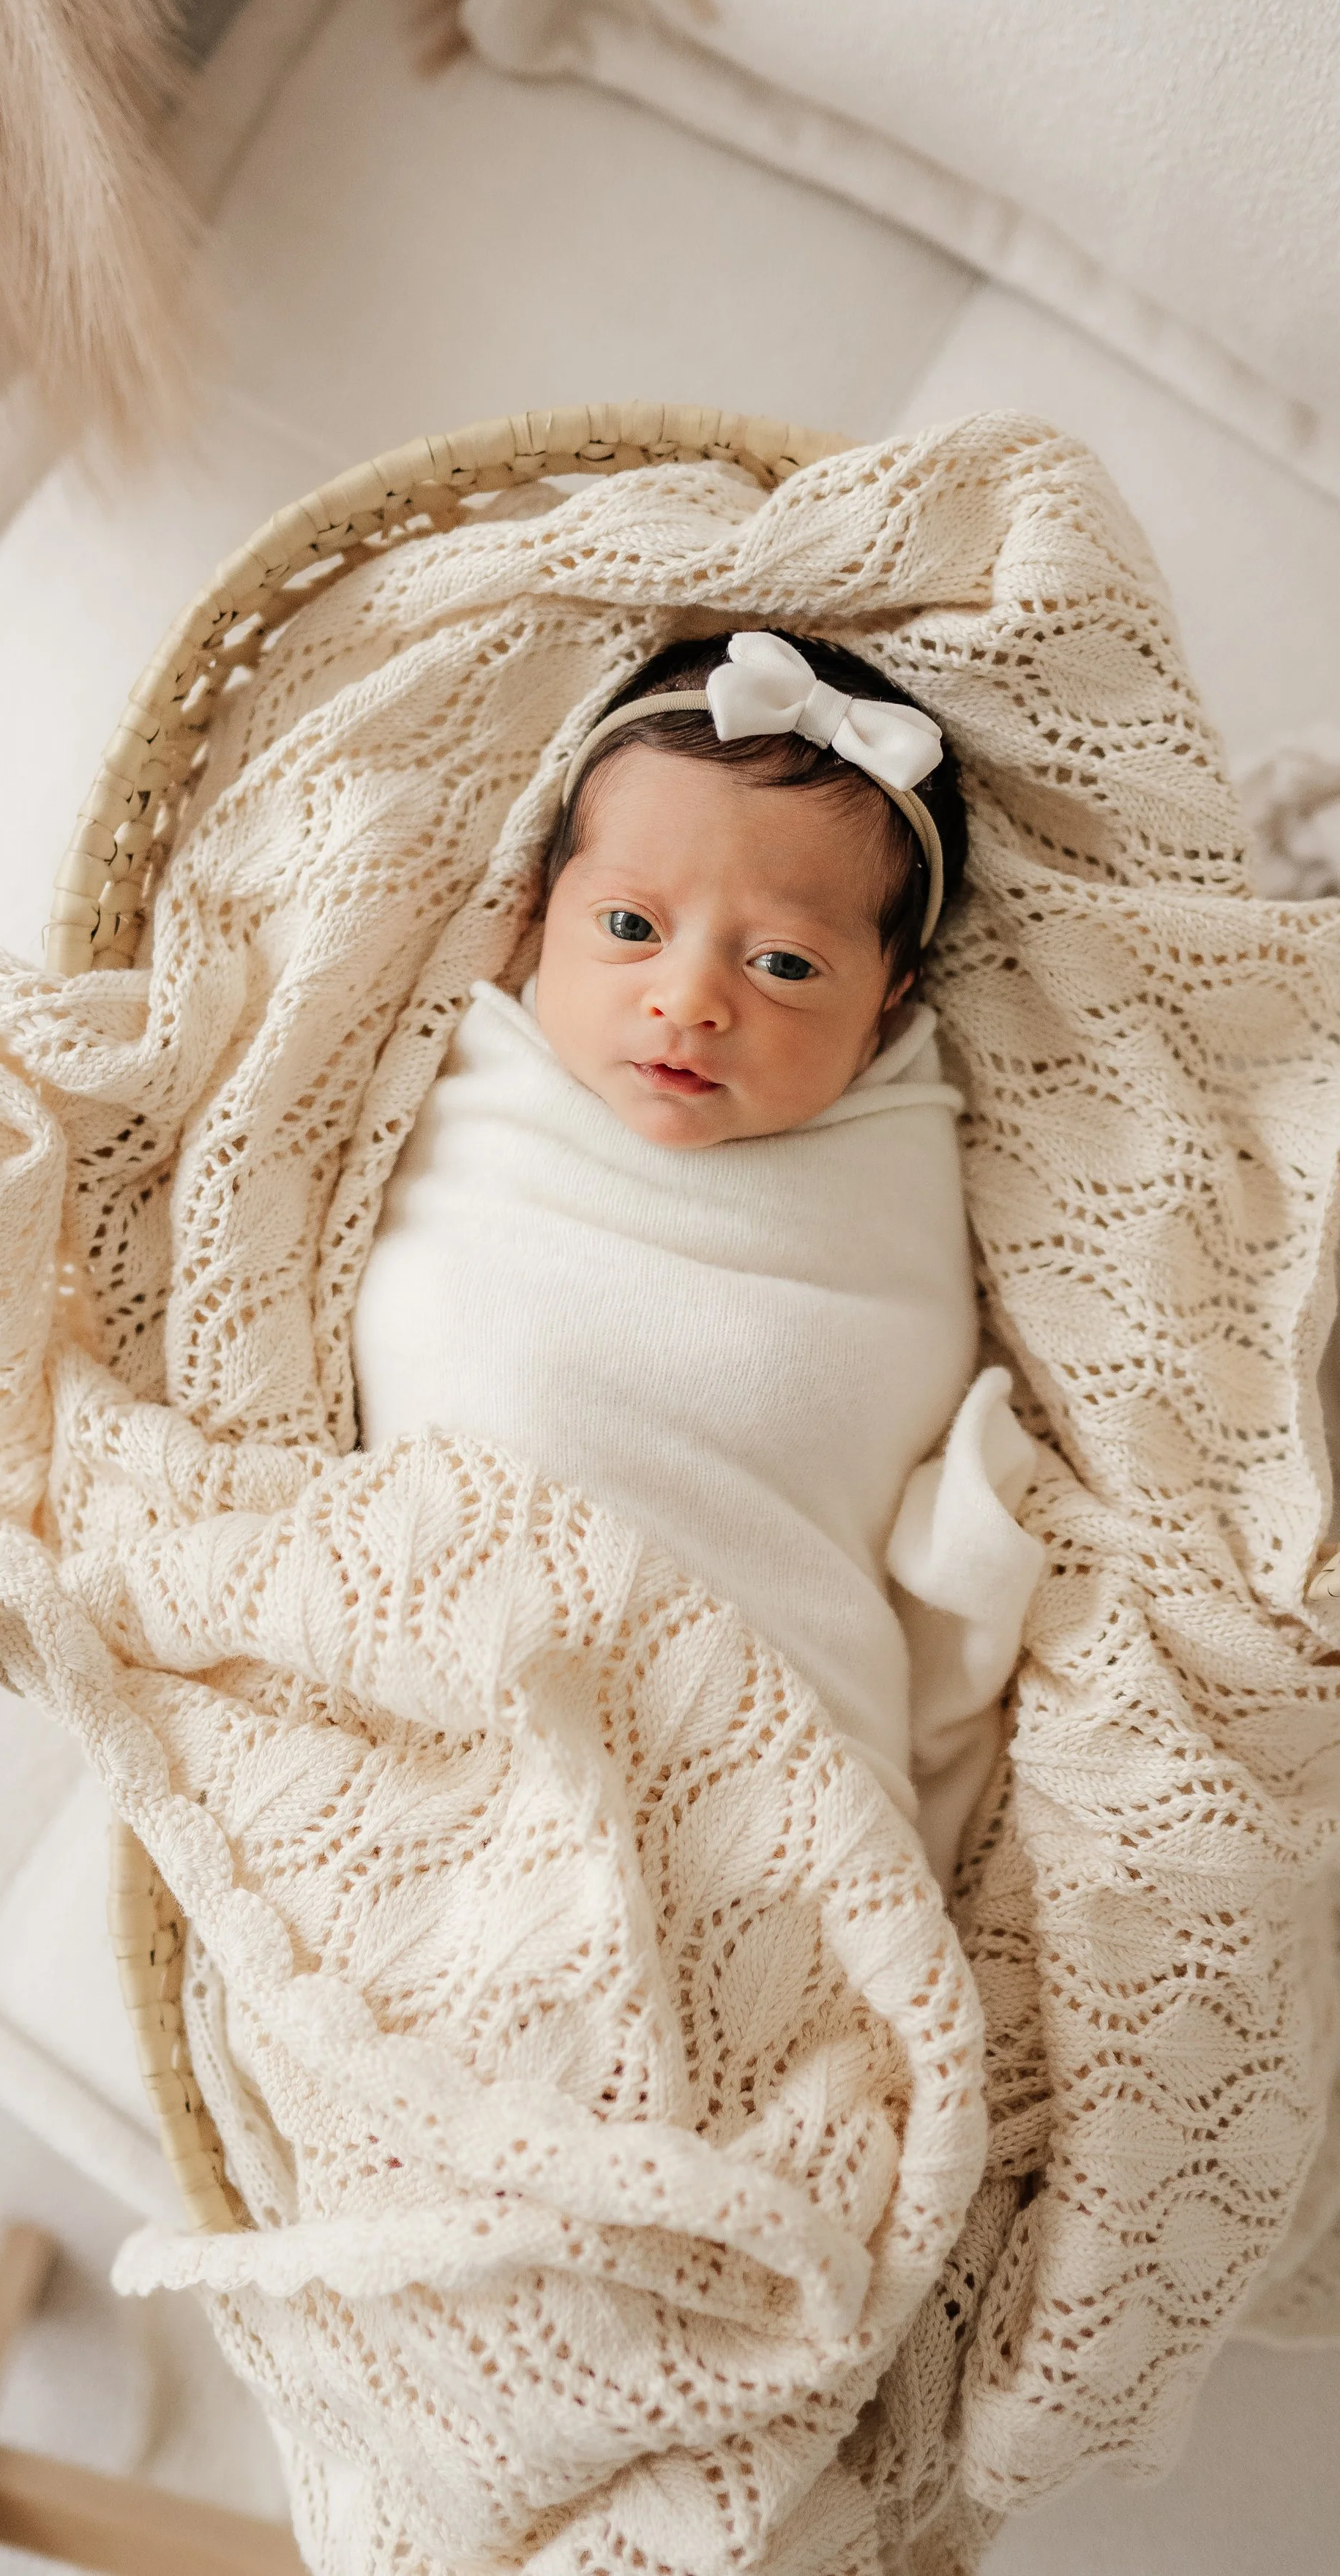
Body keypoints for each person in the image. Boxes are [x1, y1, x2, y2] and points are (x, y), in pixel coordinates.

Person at [353, 630, 1043, 1886]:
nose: (690, 998)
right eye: (630, 926)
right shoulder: (461, 1063)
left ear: (890, 1002)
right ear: (536, 912)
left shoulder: (891, 1170)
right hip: (433, 1653)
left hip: (769, 1746)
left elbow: (861, 1389)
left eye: (783, 964)